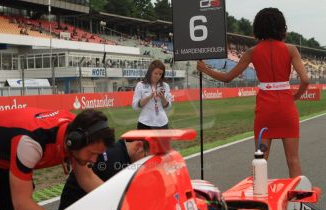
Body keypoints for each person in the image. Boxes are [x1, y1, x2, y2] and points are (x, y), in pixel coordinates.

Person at [197, 8, 309, 178]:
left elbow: (227, 77)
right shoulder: (291, 49)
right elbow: (306, 80)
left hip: (265, 110)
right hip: (287, 109)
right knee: (293, 160)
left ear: (258, 28)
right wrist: (294, 97)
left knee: (260, 159)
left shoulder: (252, 52)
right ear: (281, 27)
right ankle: (298, 201)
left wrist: (205, 69)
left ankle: (259, 200)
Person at [0, 108, 115, 210]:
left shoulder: (78, 132)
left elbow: (87, 178)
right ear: (73, 141)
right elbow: (22, 204)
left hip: (5, 158)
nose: (94, 160)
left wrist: (121, 201)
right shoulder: (31, 142)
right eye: (92, 153)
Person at [58, 139, 147, 210]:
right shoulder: (115, 163)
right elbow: (119, 202)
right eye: (145, 158)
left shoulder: (119, 149)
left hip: (80, 206)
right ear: (138, 146)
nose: (145, 165)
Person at [132, 60, 172, 129]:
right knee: (142, 140)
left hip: (162, 123)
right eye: (155, 73)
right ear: (150, 72)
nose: (158, 76)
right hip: (145, 123)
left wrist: (162, 97)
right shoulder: (140, 85)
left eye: (160, 74)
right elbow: (135, 106)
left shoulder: (166, 86)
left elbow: (168, 107)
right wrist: (149, 97)